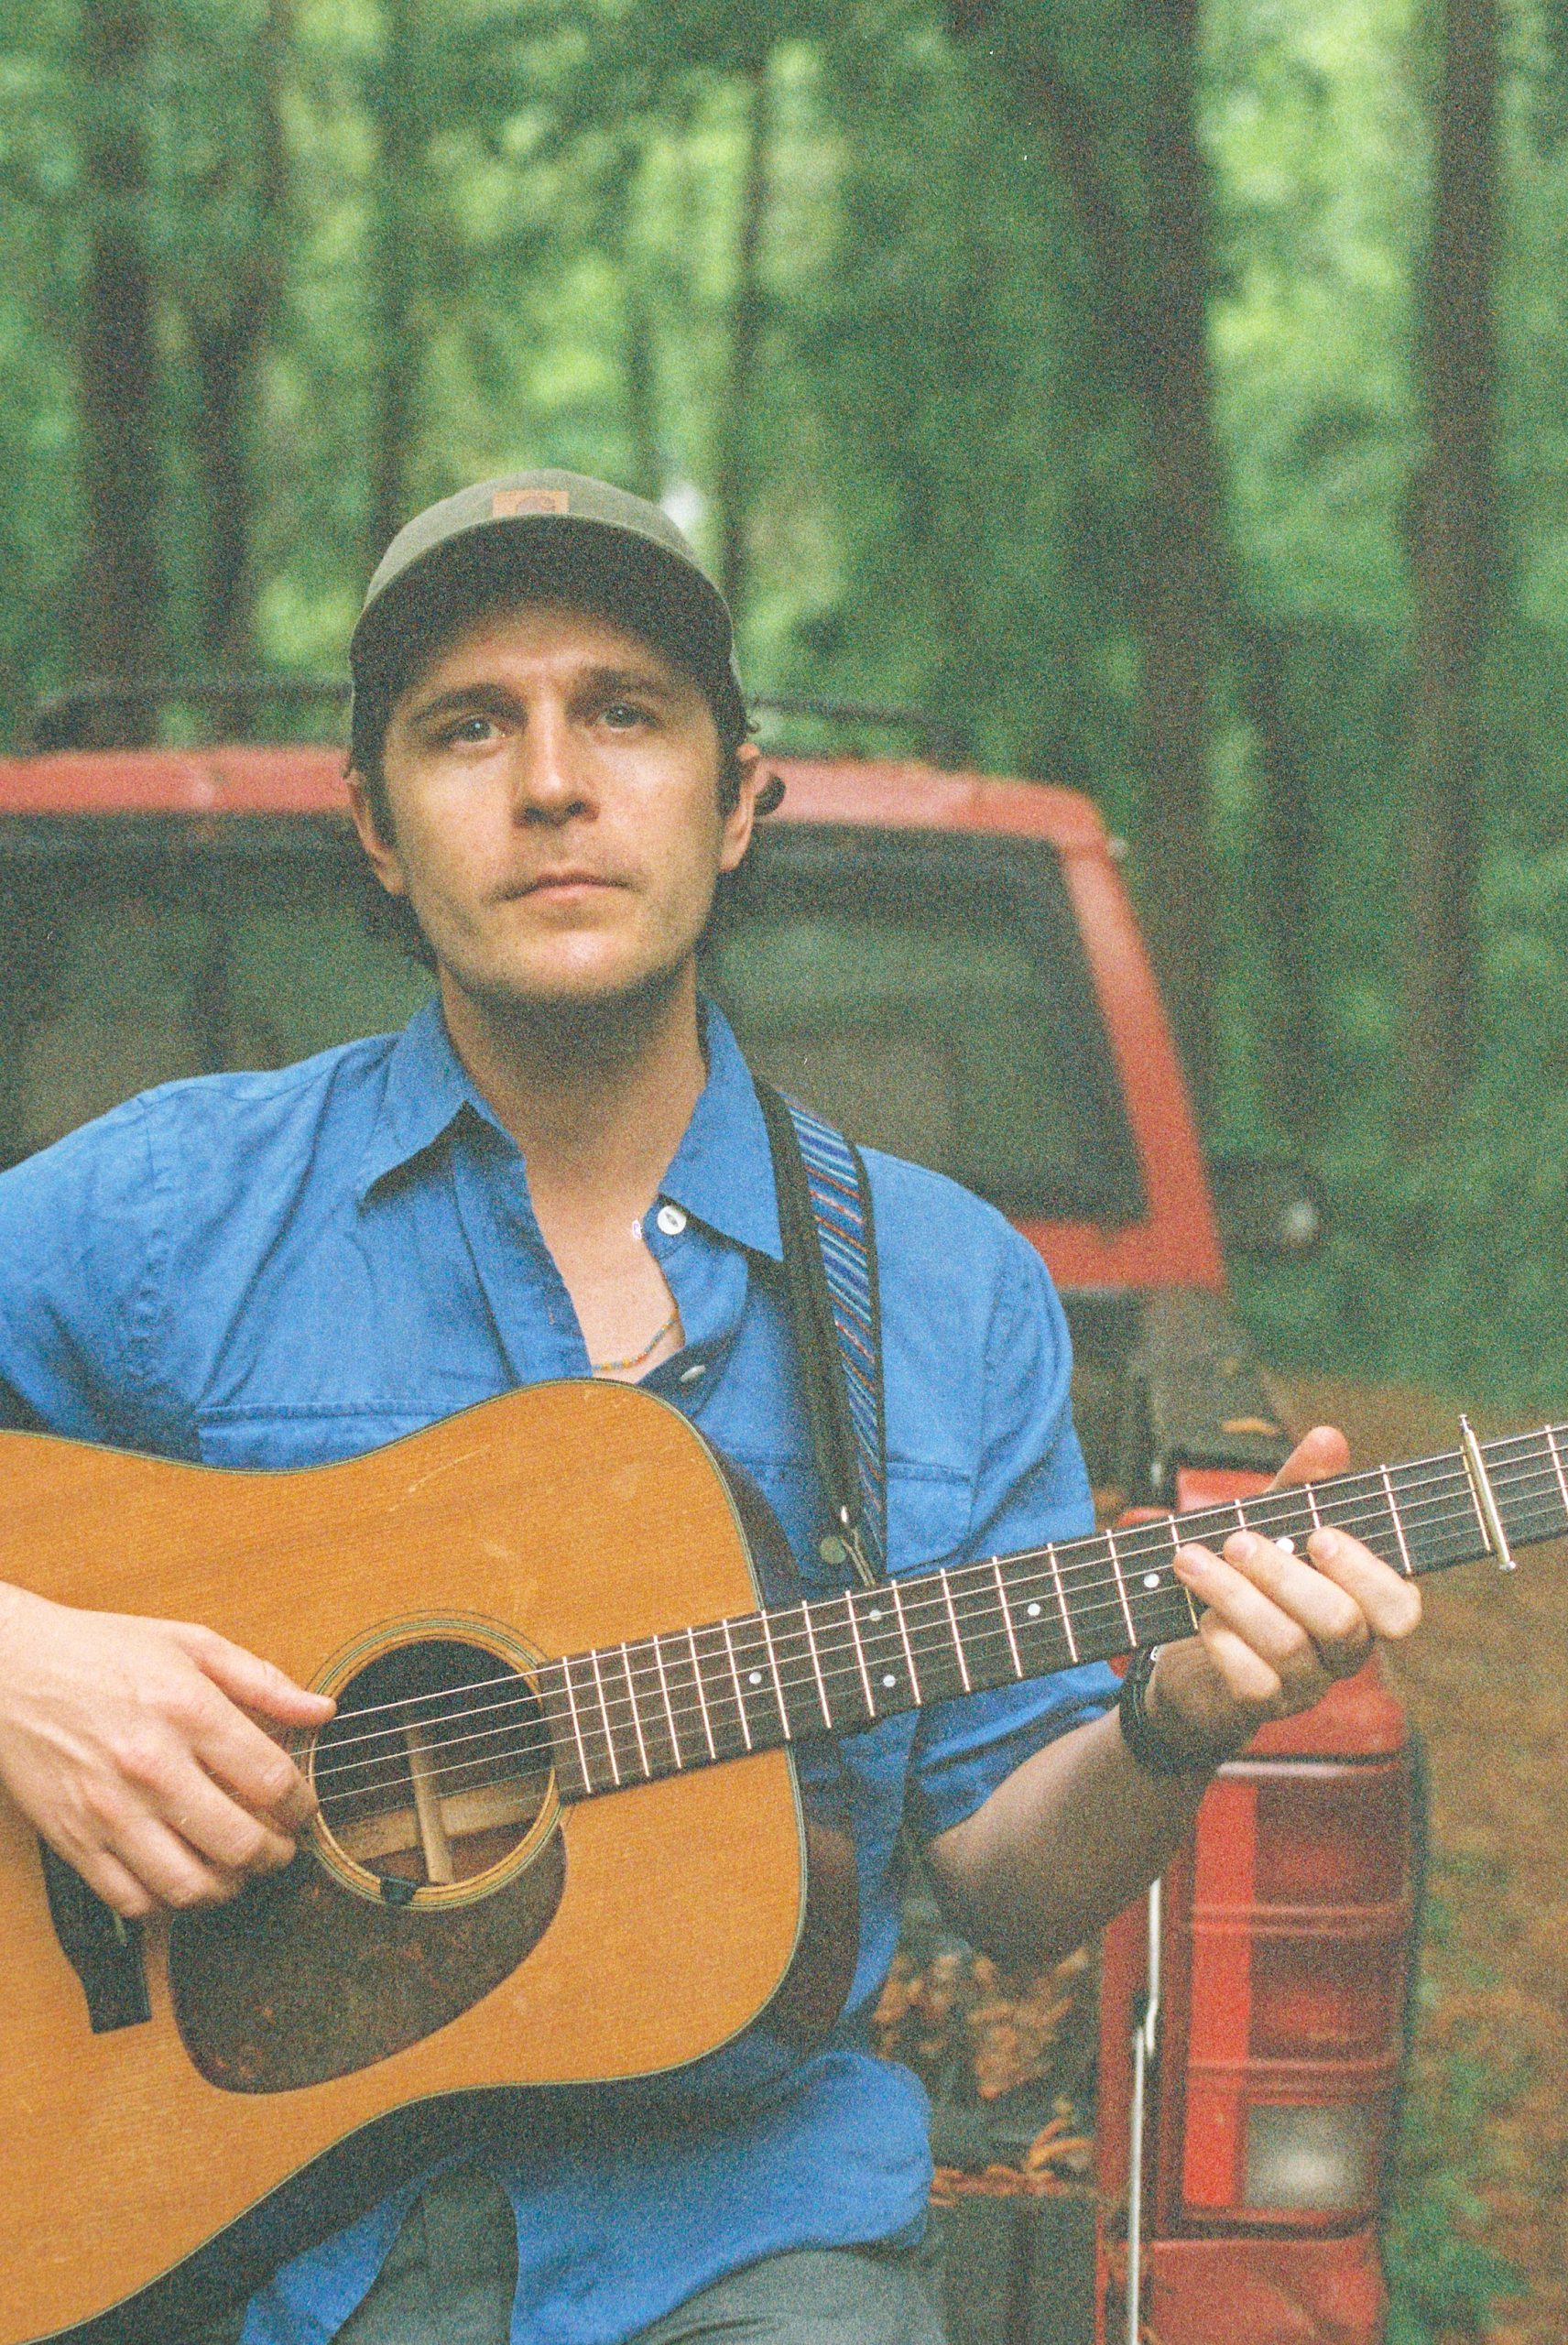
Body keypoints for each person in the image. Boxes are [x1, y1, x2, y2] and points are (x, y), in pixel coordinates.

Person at [0, 472, 1421, 2345]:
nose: (552, 783)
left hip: (743, 2249)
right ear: (375, 827)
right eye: (467, 726)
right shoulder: (171, 1210)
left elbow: (1006, 1885)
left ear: (738, 798)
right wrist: (26, 1662)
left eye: (625, 712)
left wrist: (1179, 1716)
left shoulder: (944, 1289)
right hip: (227, 2238)